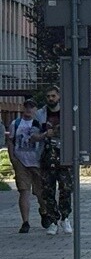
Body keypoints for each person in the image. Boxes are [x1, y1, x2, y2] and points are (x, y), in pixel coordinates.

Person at [6, 98, 47, 233]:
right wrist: (13, 158)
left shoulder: (40, 124)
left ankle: (44, 210)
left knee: (40, 192)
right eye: (26, 107)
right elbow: (11, 141)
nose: (28, 109)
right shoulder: (16, 123)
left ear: (36, 109)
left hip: (37, 162)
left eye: (32, 107)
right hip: (21, 162)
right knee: (24, 191)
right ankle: (25, 222)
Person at [37, 85, 73, 235]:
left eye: (53, 96)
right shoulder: (40, 115)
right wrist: (46, 134)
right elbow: (33, 135)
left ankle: (65, 218)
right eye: (48, 96)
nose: (51, 99)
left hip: (64, 156)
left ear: (58, 96)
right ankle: (53, 221)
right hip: (46, 156)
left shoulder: (68, 113)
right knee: (48, 190)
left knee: (66, 188)